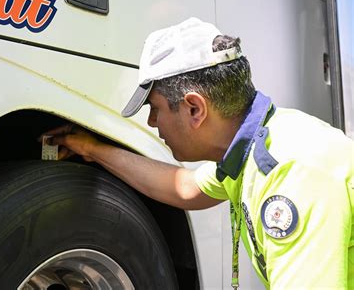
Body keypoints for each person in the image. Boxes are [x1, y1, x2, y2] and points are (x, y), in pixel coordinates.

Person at [41, 17, 354, 289]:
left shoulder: (291, 172)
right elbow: (184, 187)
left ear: (194, 108)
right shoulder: (251, 151)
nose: (151, 121)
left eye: (155, 108)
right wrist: (91, 149)